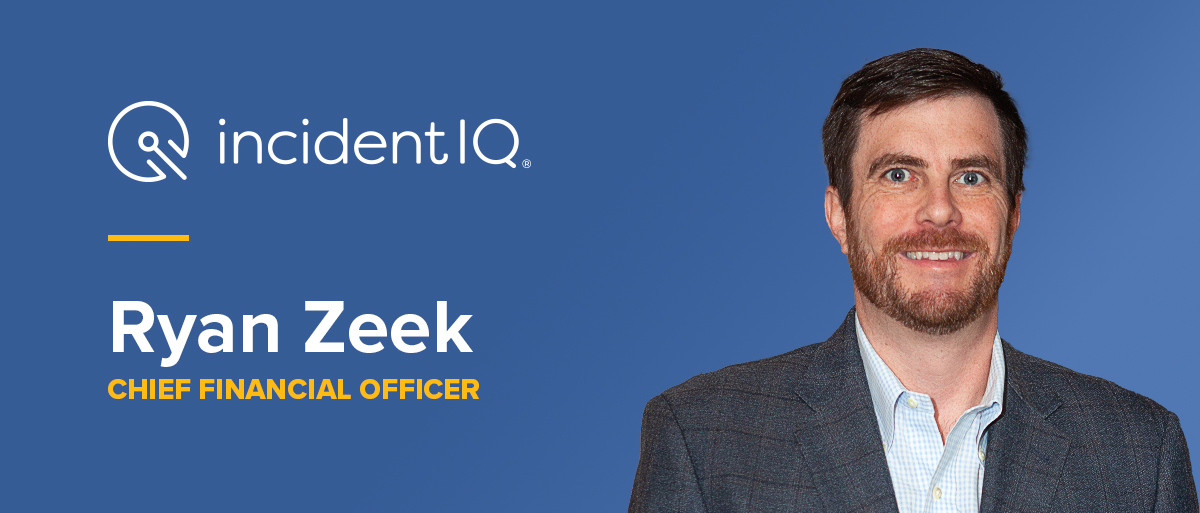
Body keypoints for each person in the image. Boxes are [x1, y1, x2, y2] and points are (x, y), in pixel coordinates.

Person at [628, 48, 1197, 513]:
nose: (940, 211)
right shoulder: (703, 440)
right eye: (899, 175)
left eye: (971, 177)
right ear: (839, 216)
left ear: (1014, 215)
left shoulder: (1139, 453)